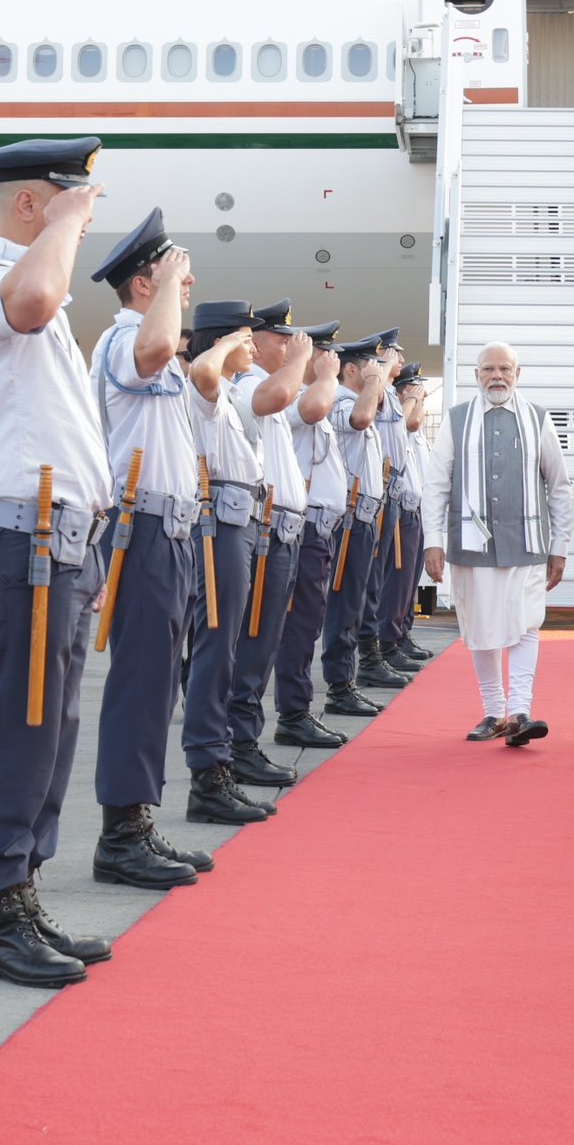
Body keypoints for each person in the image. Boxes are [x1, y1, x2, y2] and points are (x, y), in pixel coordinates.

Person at [0, 136, 120, 990]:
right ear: (31, 205)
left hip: (61, 543)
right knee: (18, 728)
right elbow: (34, 297)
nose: (87, 221)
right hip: (23, 539)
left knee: (51, 728)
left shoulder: (28, 291)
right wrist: (70, 220)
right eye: (75, 201)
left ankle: (23, 891)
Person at [83, 211, 237, 861]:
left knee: (157, 682)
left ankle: (137, 821)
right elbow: (154, 350)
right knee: (143, 681)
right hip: (141, 529)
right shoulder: (128, 341)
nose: (189, 282)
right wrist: (171, 286)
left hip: (167, 531)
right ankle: (121, 833)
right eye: (177, 273)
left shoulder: (151, 343)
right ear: (144, 286)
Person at [424, 342, 574, 744]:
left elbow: (559, 487)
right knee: (481, 626)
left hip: (526, 542)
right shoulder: (456, 421)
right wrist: (432, 542)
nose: (497, 376)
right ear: (477, 375)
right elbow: (436, 486)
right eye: (489, 369)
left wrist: (559, 545)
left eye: (505, 369)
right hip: (470, 546)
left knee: (527, 624)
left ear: (517, 373)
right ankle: (493, 713)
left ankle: (521, 711)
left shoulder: (538, 420)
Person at [178, 298, 284, 823]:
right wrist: (222, 342)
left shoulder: (225, 398)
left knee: (226, 646)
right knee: (215, 646)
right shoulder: (206, 386)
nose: (253, 347)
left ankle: (217, 762)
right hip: (218, 523)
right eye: (246, 339)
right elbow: (201, 367)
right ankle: (208, 773)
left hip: (239, 520)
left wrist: (230, 341)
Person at [225, 302, 328, 785]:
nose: (290, 348)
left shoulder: (276, 384)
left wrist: (295, 367)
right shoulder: (249, 384)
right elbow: (277, 397)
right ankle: (237, 743)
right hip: (264, 530)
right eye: (279, 340)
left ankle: (244, 739)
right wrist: (297, 365)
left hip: (285, 527)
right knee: (251, 644)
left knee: (264, 644)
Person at [272, 321, 354, 747]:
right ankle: (293, 711)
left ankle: (297, 707)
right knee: (297, 625)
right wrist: (322, 376)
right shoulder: (295, 394)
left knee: (306, 624)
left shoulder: (312, 391)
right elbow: (313, 410)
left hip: (317, 529)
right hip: (299, 528)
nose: (332, 361)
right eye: (324, 352)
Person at [319, 330, 401, 714]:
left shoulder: (359, 395)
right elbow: (362, 417)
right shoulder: (340, 399)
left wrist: (377, 379)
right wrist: (372, 381)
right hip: (350, 518)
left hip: (366, 513)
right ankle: (339, 685)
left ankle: (348, 678)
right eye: (368, 367)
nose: (377, 375)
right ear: (351, 369)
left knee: (359, 600)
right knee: (344, 605)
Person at [375, 362, 433, 670]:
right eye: (417, 392)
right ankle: (389, 638)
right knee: (396, 581)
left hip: (416, 509)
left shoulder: (416, 425)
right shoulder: (401, 419)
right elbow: (410, 423)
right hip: (402, 508)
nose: (422, 401)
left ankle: (402, 632)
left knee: (409, 580)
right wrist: (411, 400)